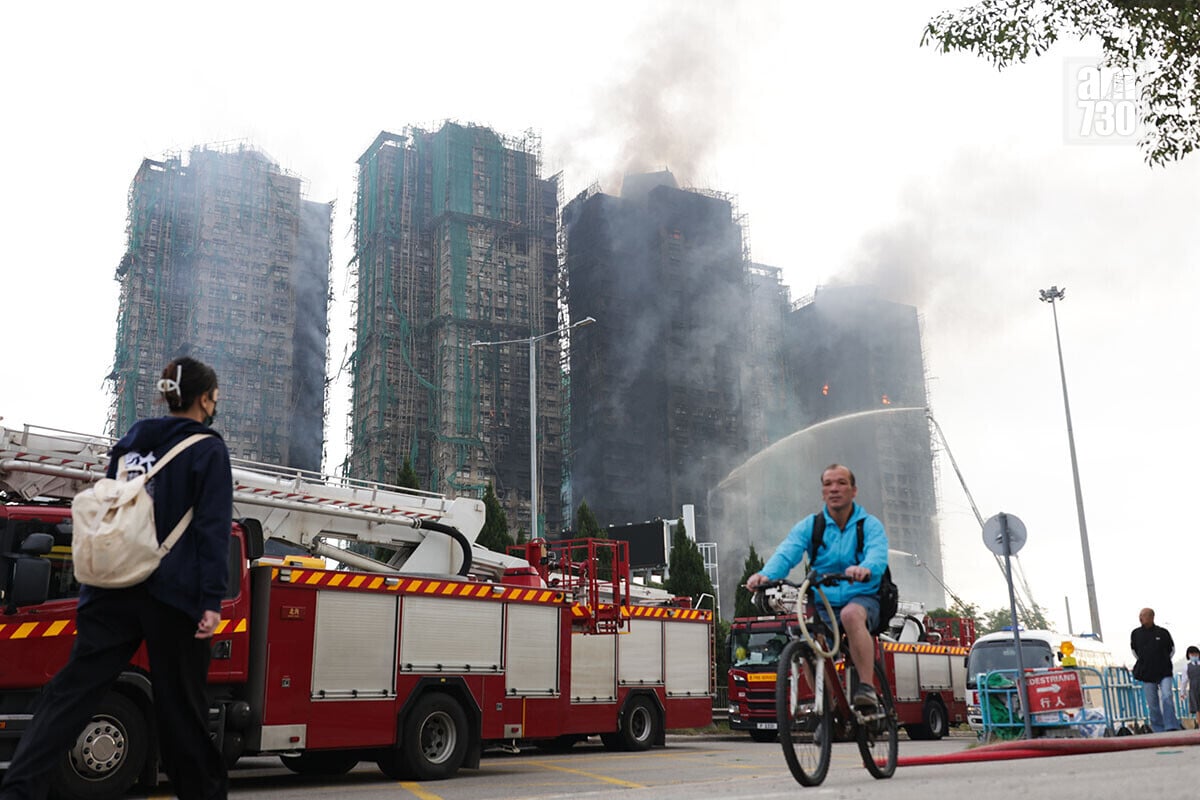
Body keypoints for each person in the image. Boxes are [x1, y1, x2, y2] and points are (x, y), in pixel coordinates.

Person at [0, 357, 233, 800]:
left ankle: (19, 791)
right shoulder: (207, 449)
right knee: (182, 710)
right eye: (214, 398)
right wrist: (210, 600)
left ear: (168, 396)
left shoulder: (133, 439)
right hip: (173, 591)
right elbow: (212, 529)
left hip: (111, 586)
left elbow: (112, 508)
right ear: (205, 399)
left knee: (69, 696)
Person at [746, 464, 888, 709]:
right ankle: (827, 707)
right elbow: (787, 552)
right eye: (828, 484)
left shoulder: (869, 525)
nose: (834, 489)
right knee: (808, 642)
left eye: (841, 483)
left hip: (863, 596)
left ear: (854, 491)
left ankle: (867, 688)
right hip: (823, 600)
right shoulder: (811, 526)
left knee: (851, 615)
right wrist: (765, 575)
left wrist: (866, 569)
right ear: (822, 493)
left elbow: (877, 554)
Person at [1129, 607, 1181, 733]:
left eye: (1144, 615)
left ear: (1152, 617)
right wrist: (1145, 661)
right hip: (1147, 672)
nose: (1141, 618)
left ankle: (1171, 725)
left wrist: (1162, 660)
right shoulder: (1136, 633)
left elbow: (1171, 650)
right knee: (1152, 703)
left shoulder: (1163, 632)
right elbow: (1134, 651)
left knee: (1167, 696)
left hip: (1164, 671)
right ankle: (1158, 728)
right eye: (1140, 615)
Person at [1184, 645, 1200, 729]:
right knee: (1197, 708)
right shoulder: (1186, 667)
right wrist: (1182, 692)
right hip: (1194, 688)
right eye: (1192, 654)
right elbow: (1184, 680)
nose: (1194, 656)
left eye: (1196, 654)